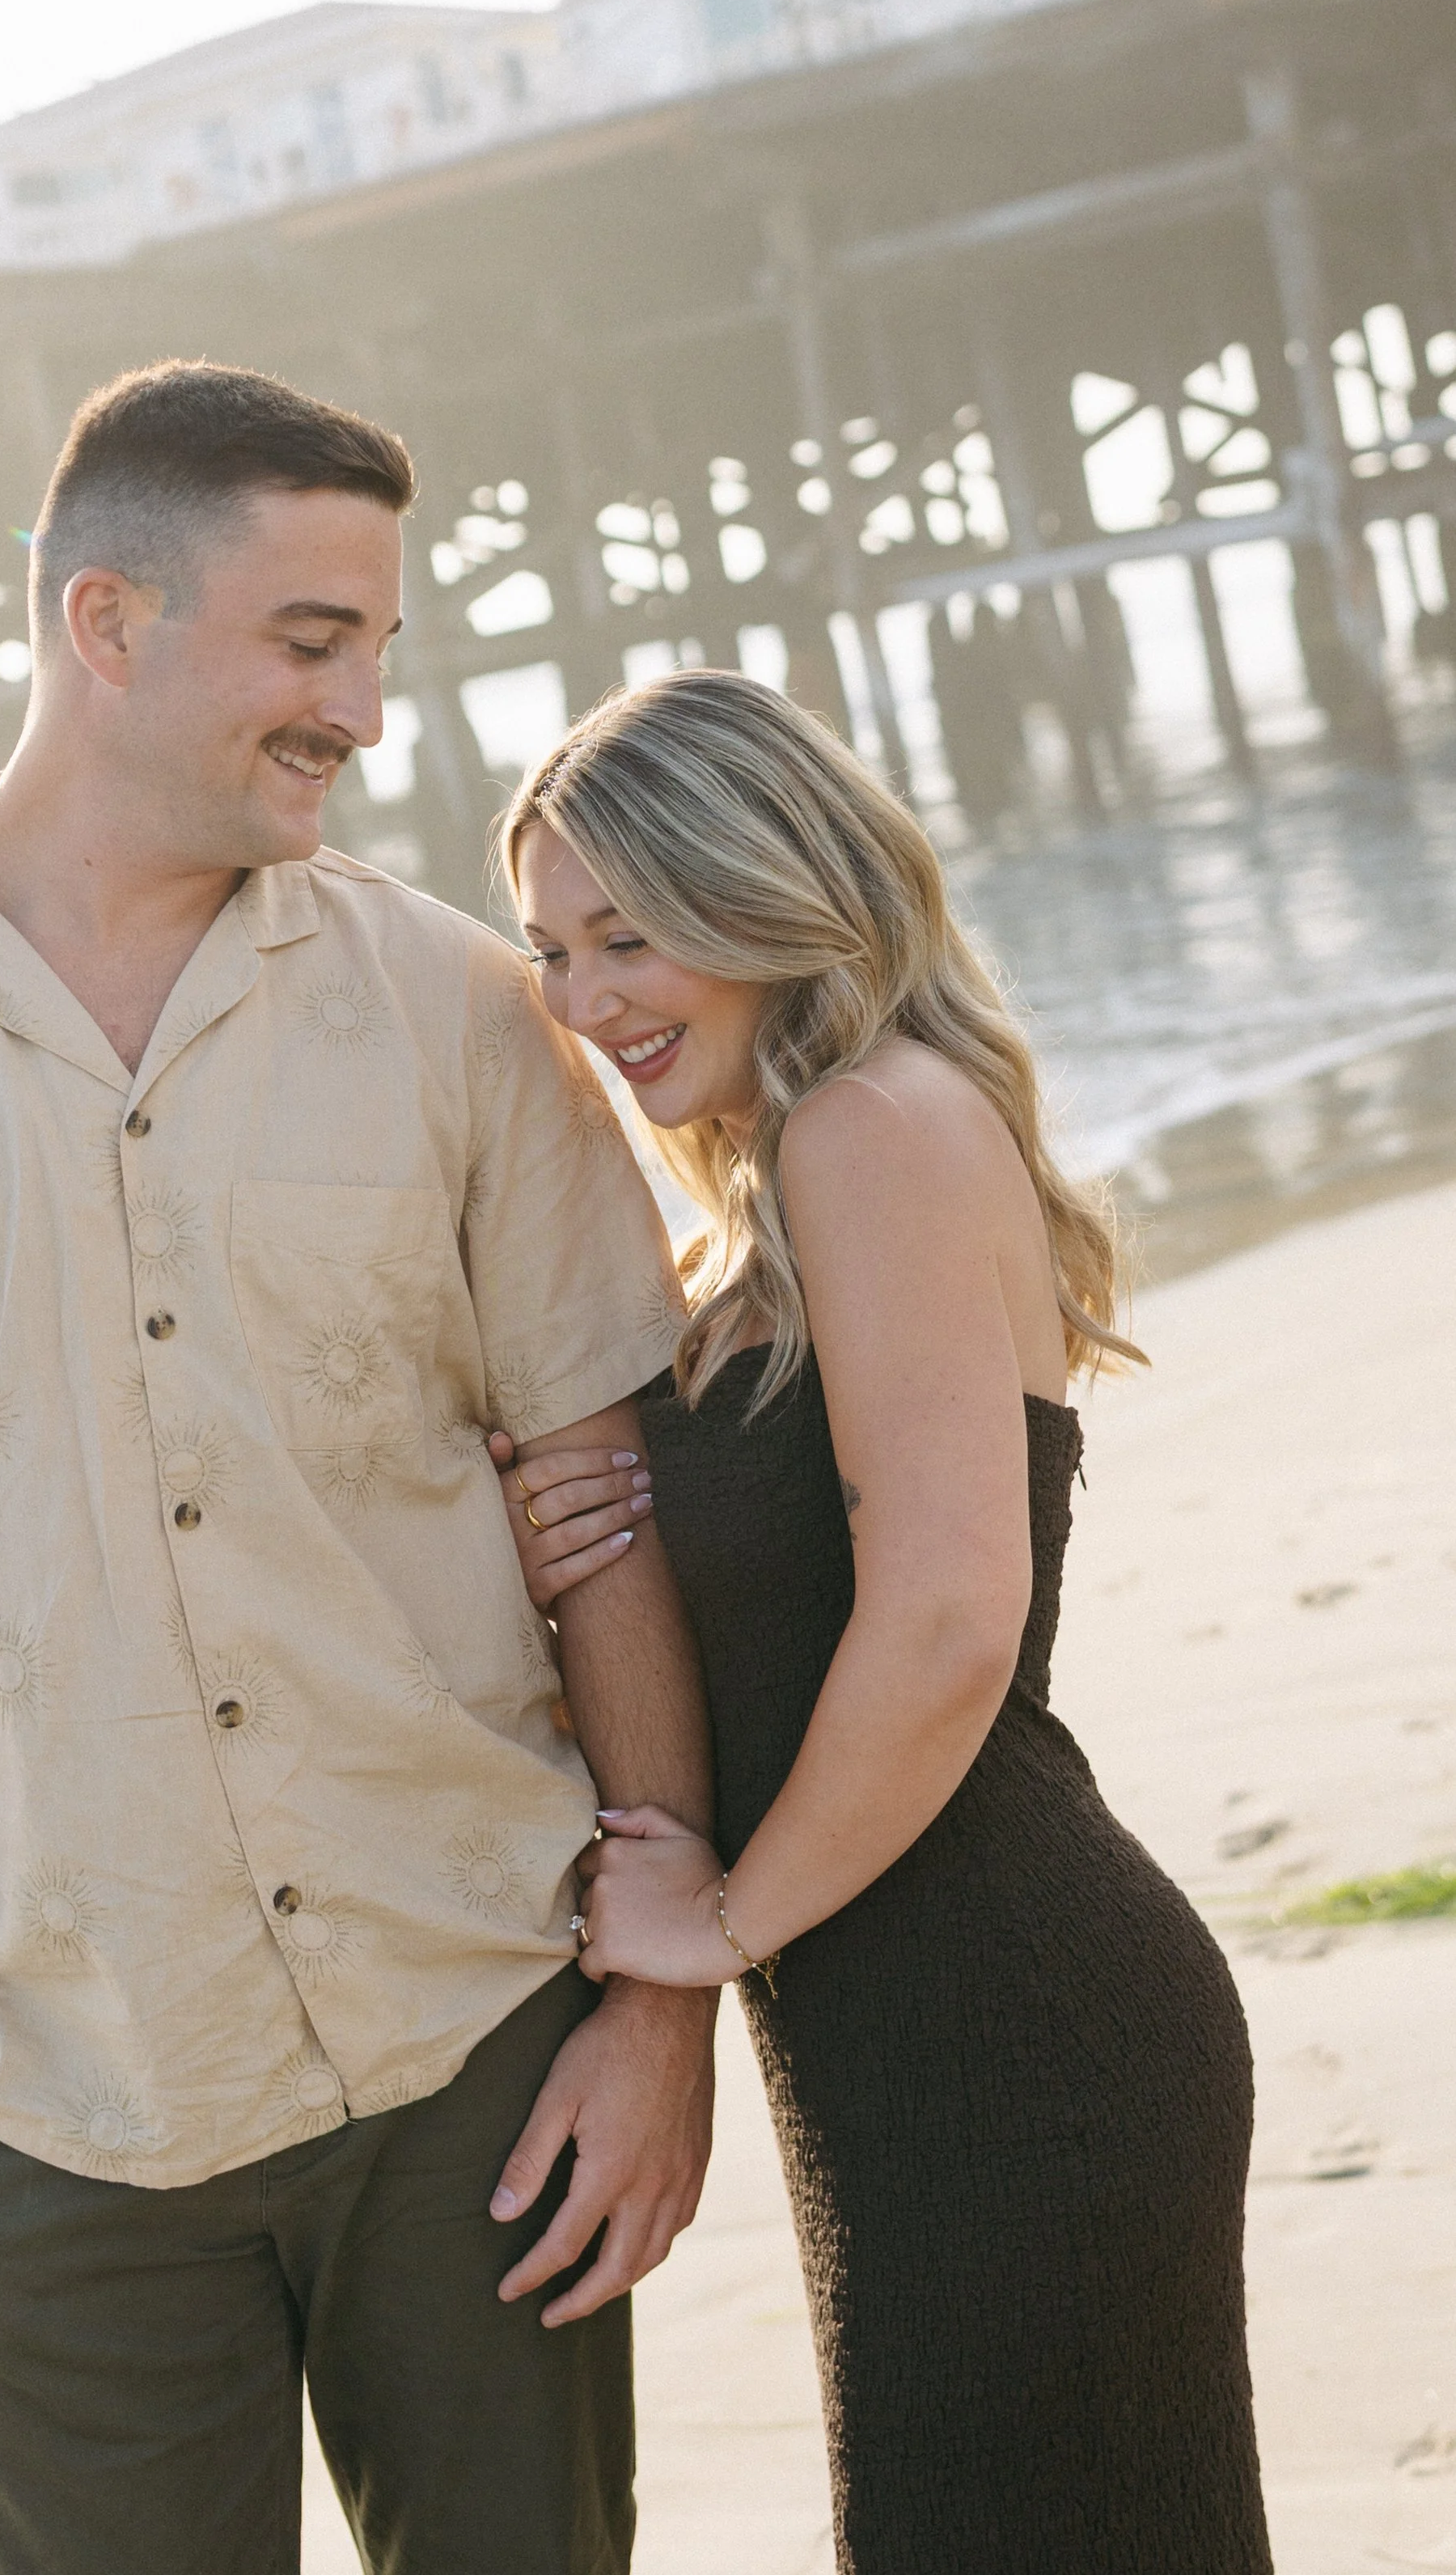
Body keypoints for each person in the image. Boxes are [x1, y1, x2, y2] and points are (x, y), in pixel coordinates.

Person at [0, 362, 717, 2575]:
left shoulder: (461, 1010)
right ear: (105, 625)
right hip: (33, 2107)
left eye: (379, 644)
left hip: (477, 2040)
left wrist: (655, 2008)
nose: (367, 712)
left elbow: (604, 1531)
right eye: (312, 644)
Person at [492, 668, 1273, 2575]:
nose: (584, 1000)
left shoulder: (867, 1127)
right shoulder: (786, 1182)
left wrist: (720, 1922)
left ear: (759, 889)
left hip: (1009, 2020)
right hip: (908, 2030)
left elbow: (940, 1622)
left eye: (628, 932)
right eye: (549, 950)